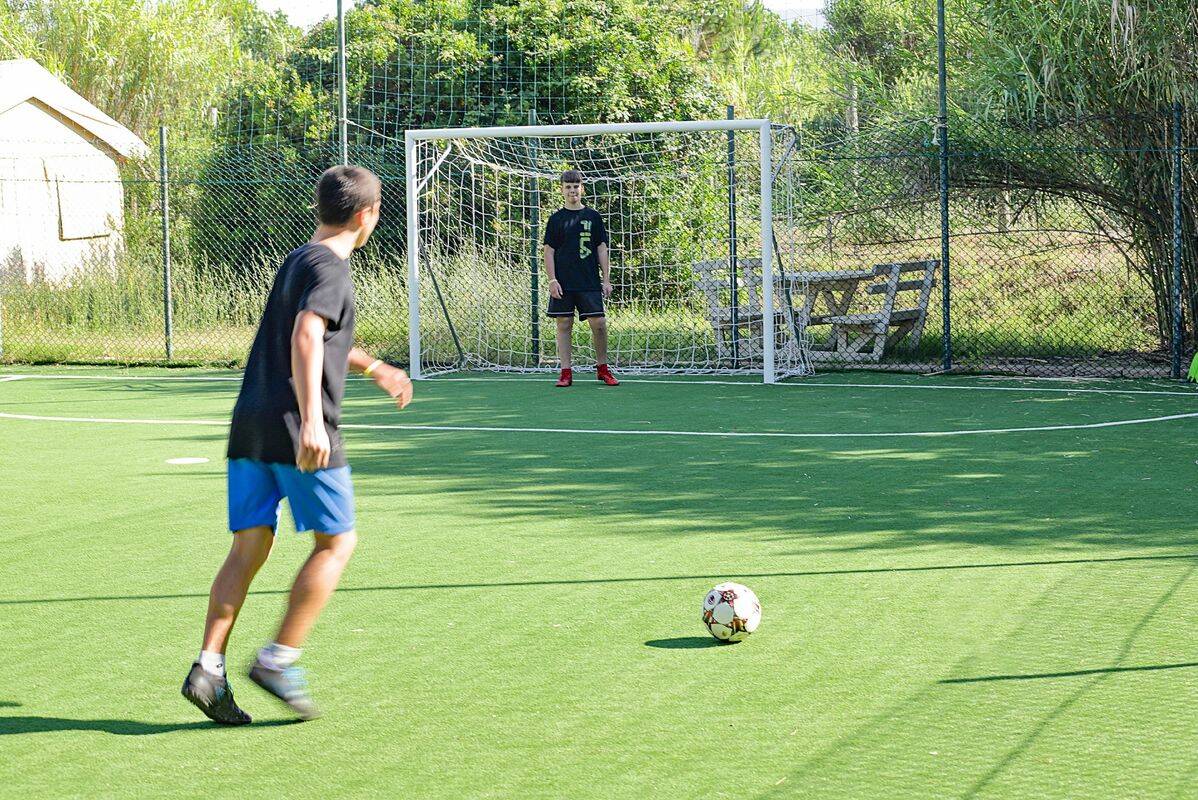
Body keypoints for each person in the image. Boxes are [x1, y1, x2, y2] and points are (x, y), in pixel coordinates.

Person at [181, 165, 412, 724]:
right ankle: (279, 660)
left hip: (250, 424)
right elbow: (308, 333)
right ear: (368, 216)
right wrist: (312, 419)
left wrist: (373, 365)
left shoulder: (295, 261)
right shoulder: (333, 269)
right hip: (296, 429)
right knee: (337, 544)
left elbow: (320, 335)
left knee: (249, 546)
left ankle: (209, 667)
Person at [544, 169, 619, 387]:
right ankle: (566, 371)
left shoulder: (593, 217)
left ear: (582, 188)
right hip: (564, 282)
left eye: (576, 186)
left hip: (588, 281)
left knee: (599, 323)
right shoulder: (556, 219)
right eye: (568, 187)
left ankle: (602, 368)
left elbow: (601, 248)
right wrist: (552, 280)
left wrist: (606, 279)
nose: (572, 191)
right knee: (564, 323)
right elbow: (548, 251)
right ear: (562, 190)